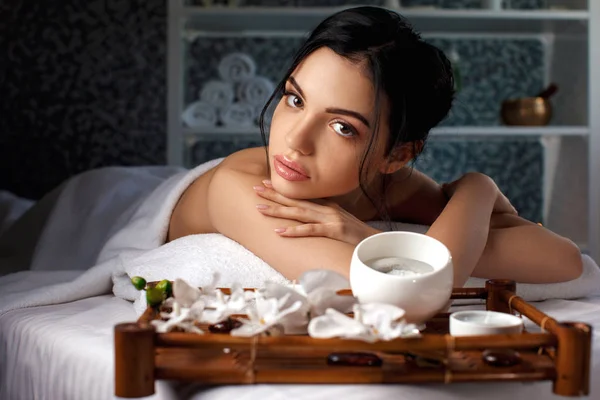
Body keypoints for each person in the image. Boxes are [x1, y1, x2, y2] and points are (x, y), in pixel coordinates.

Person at [168, 6, 582, 288]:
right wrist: (466, 203)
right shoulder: (244, 190)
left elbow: (565, 260)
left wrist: (477, 185)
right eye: (295, 100)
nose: (295, 141)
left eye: (341, 126)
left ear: (396, 155)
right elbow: (407, 288)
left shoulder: (394, 187)